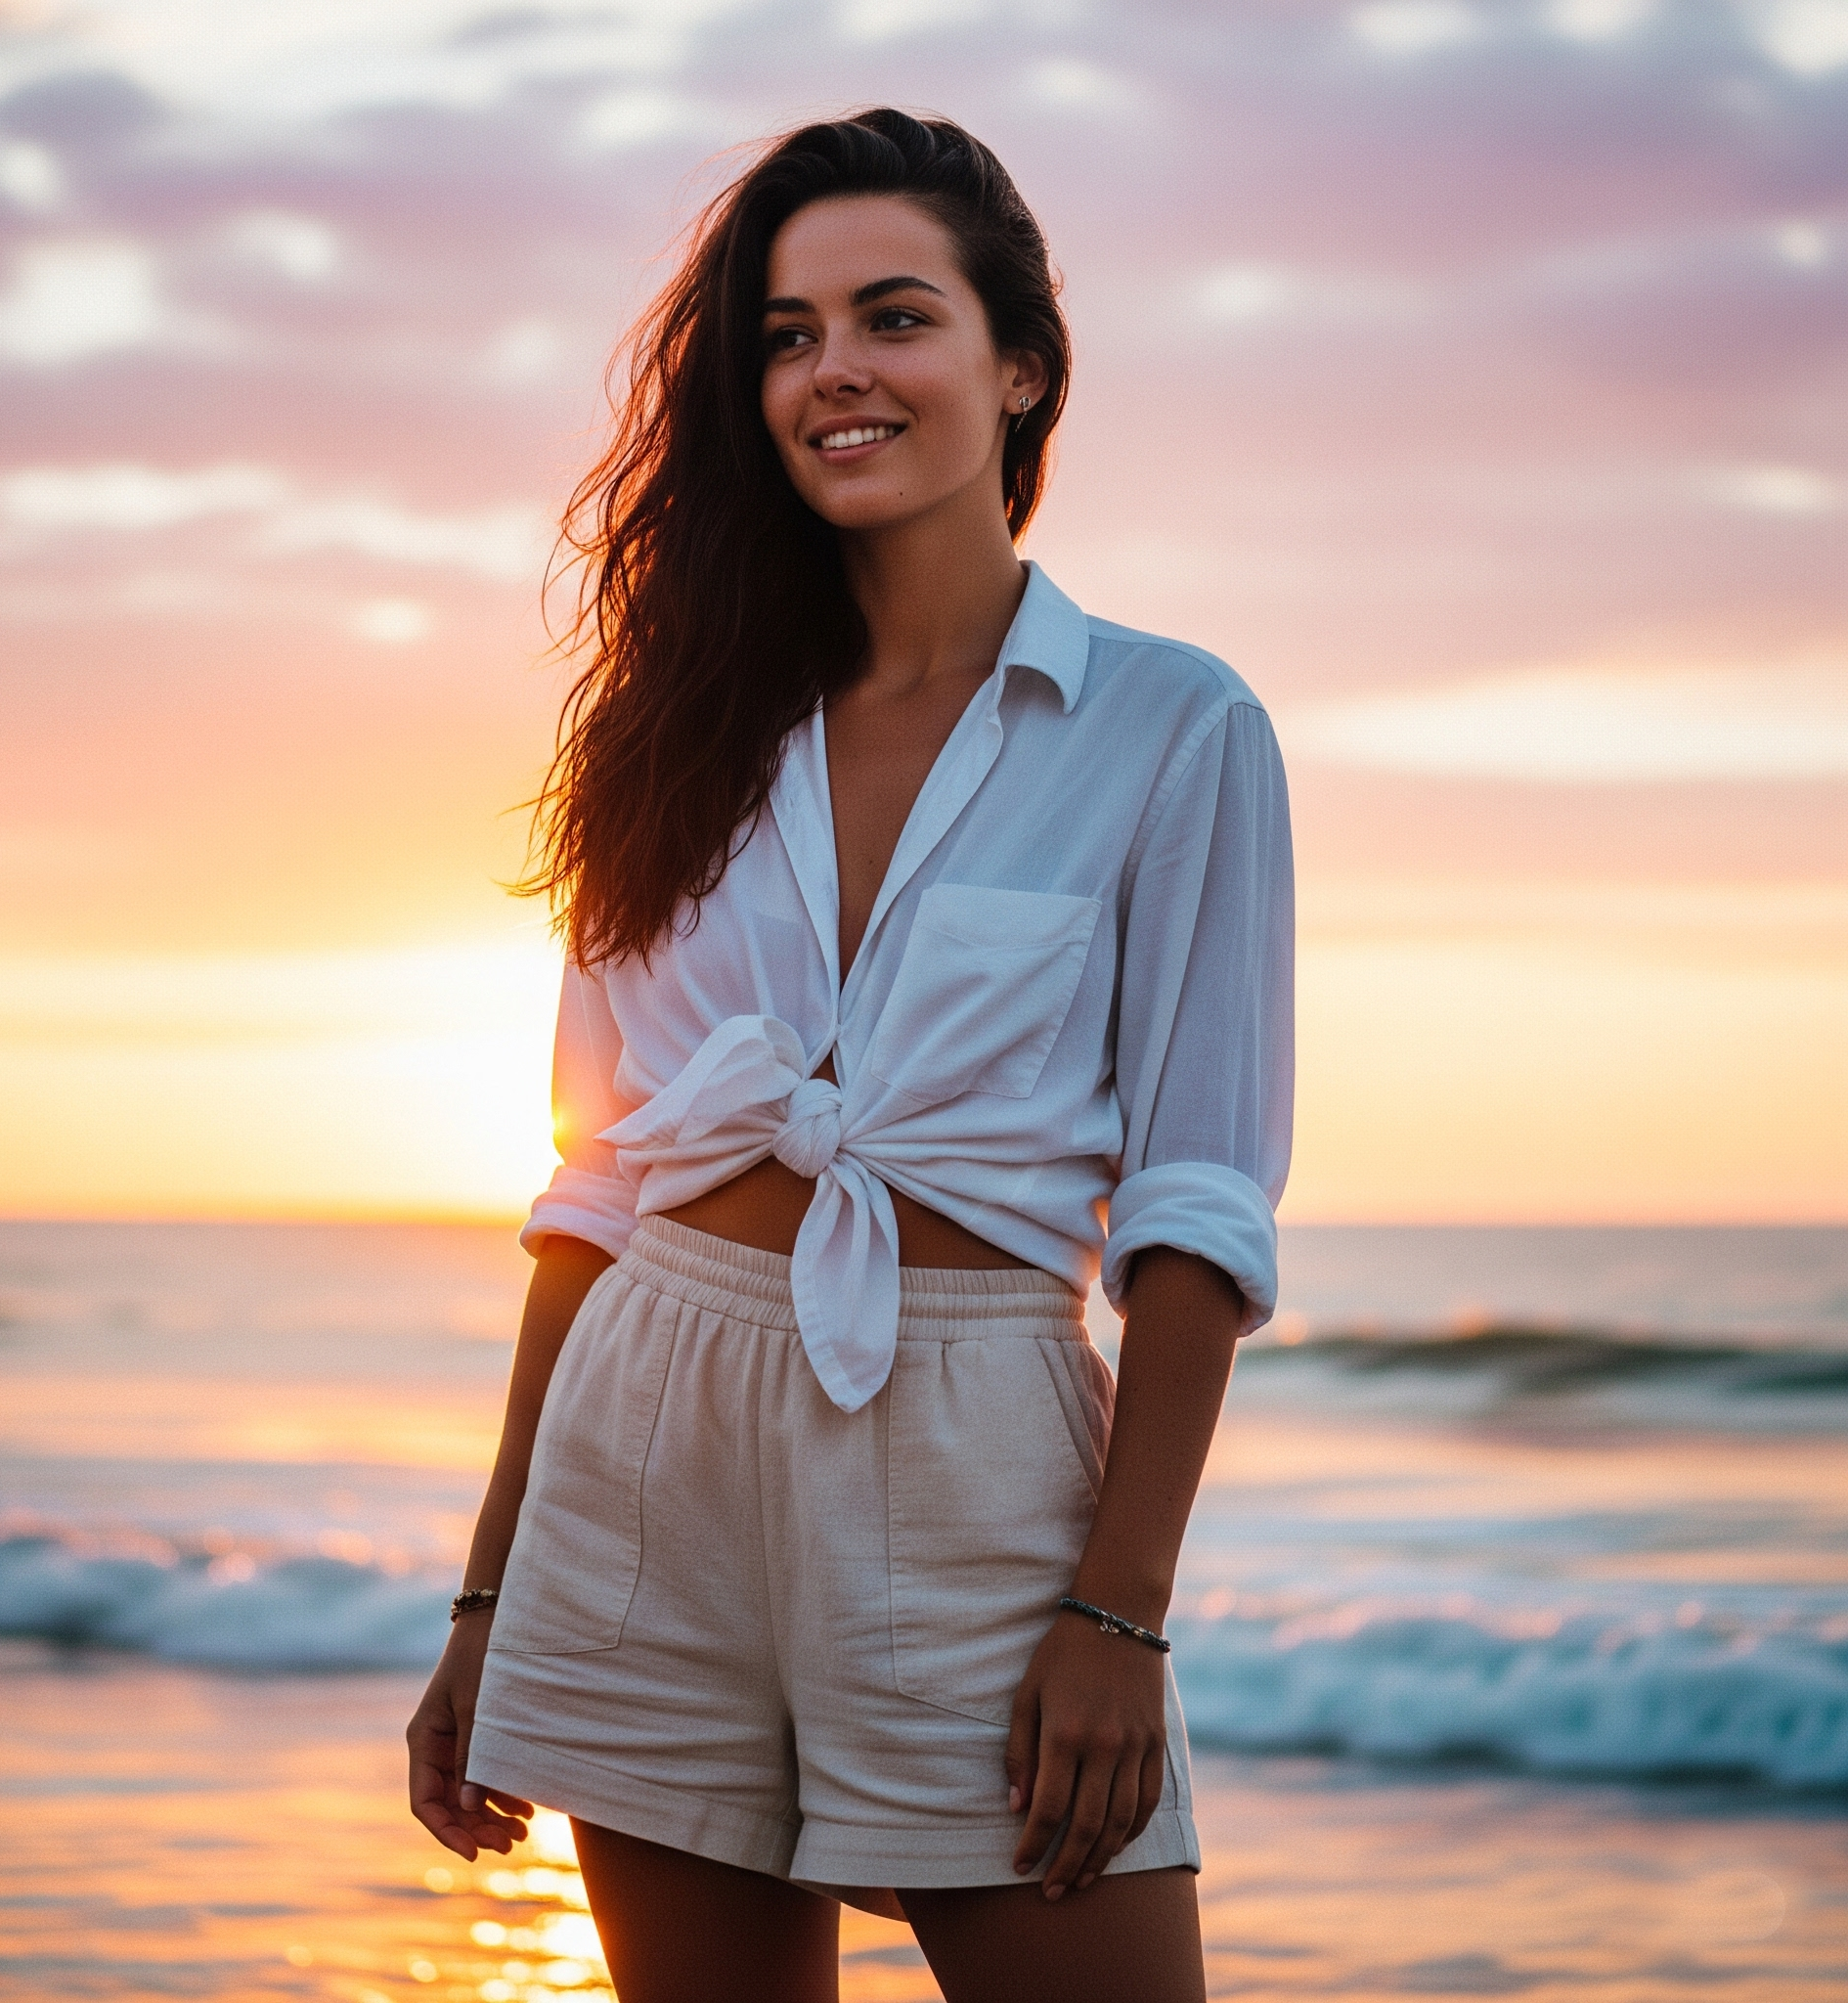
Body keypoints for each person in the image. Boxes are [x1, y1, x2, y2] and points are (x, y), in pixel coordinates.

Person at [406, 108, 1293, 2003]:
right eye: (789, 335)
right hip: (646, 1464)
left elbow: (1198, 1210)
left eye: (892, 316)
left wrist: (1117, 1609)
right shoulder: (670, 736)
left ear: (1020, 362)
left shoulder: (1173, 724)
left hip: (983, 1467)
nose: (833, 372)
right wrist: (491, 1594)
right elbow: (589, 1200)